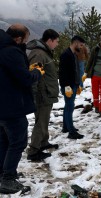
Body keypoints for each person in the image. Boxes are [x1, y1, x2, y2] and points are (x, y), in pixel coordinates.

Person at [0, 24, 43, 194]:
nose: (26, 41)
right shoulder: (11, 52)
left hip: (3, 105)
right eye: (25, 38)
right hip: (12, 105)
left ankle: (4, 172)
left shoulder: (3, 49)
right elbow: (25, 79)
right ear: (18, 38)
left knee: (4, 140)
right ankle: (8, 178)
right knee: (18, 142)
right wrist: (37, 73)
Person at [26, 29, 60, 161]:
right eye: (56, 42)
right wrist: (34, 96)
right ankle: (33, 151)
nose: (57, 44)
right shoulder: (39, 54)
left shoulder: (44, 52)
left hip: (47, 93)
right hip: (42, 94)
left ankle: (43, 142)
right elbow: (33, 77)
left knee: (44, 120)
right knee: (40, 122)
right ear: (50, 40)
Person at [59, 35, 86, 139]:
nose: (82, 47)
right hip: (68, 86)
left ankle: (66, 127)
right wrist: (66, 86)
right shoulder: (66, 55)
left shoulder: (73, 54)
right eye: (81, 45)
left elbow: (75, 71)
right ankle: (71, 131)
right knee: (69, 107)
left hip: (73, 84)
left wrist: (78, 83)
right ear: (75, 43)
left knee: (68, 106)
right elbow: (62, 73)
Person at [82, 35, 101, 117]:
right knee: (95, 92)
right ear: (100, 43)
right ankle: (96, 107)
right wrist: (86, 73)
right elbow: (90, 61)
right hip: (95, 75)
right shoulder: (96, 49)